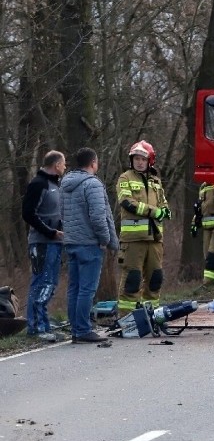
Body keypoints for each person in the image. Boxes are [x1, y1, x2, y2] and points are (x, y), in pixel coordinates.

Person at [61, 148, 119, 343]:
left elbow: (62, 213)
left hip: (71, 241)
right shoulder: (92, 184)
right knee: (87, 289)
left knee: (74, 288)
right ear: (93, 162)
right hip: (89, 243)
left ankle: (76, 329)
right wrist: (105, 239)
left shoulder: (65, 184)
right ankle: (84, 329)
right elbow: (98, 217)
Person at [116, 140, 170, 315]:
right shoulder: (125, 178)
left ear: (150, 161)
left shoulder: (156, 181)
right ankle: (126, 320)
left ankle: (152, 317)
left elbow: (163, 203)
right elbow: (127, 202)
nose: (139, 162)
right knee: (132, 280)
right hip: (133, 241)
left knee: (155, 279)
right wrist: (154, 212)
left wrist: (166, 211)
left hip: (155, 239)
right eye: (136, 158)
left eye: (143, 159)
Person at [22, 150, 66, 342]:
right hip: (41, 243)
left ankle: (45, 323)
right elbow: (28, 214)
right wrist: (50, 232)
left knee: (50, 284)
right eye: (64, 164)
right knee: (41, 283)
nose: (65, 167)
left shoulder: (55, 184)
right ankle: (35, 327)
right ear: (56, 165)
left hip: (55, 243)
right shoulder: (38, 184)